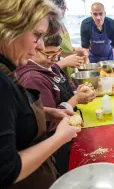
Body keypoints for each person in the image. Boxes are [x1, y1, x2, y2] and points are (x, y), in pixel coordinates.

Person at [0, 0, 81, 188]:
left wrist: (47, 113)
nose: (40, 45)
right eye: (37, 35)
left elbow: (11, 115)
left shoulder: (9, 68)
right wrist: (59, 138)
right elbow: (6, 170)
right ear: (12, 25)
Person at [15, 34, 95, 175]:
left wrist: (78, 91)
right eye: (49, 54)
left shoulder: (50, 66)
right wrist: (76, 99)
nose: (54, 58)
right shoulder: (33, 79)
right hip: (55, 146)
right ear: (35, 49)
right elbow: (49, 125)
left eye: (57, 53)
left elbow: (63, 86)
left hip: (67, 134)